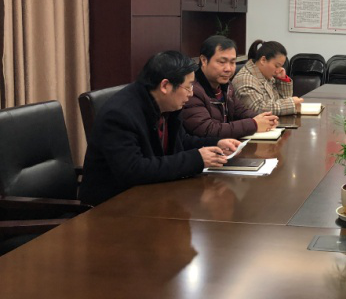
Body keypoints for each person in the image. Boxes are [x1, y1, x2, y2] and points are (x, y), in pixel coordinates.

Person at [80, 51, 240, 206]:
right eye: (188, 87)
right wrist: (196, 159)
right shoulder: (119, 114)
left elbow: (181, 141)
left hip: (152, 195)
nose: (191, 94)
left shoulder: (166, 104)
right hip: (114, 206)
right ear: (165, 86)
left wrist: (216, 144)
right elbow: (133, 170)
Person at [181, 35, 279, 138]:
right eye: (222, 62)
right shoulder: (191, 90)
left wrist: (265, 119)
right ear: (204, 60)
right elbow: (207, 130)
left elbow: (239, 111)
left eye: (232, 62)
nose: (228, 68)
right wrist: (254, 124)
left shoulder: (226, 85)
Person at [234, 40, 303, 115]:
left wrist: (282, 80)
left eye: (281, 66)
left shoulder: (266, 75)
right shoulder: (245, 80)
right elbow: (258, 109)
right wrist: (291, 103)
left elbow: (280, 101)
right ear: (263, 60)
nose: (278, 70)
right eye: (277, 66)